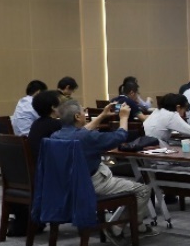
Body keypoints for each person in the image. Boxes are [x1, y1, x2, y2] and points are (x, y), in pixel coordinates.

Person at [51, 100, 158, 237]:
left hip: (66, 186)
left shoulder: (55, 136)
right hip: (91, 185)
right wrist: (123, 117)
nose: (85, 114)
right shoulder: (87, 137)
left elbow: (81, 133)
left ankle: (139, 226)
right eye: (83, 112)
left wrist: (102, 116)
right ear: (77, 116)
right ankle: (118, 228)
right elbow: (119, 137)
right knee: (143, 190)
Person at [7, 90, 62, 237]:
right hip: (46, 177)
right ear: (53, 107)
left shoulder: (37, 124)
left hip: (30, 175)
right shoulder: (55, 125)